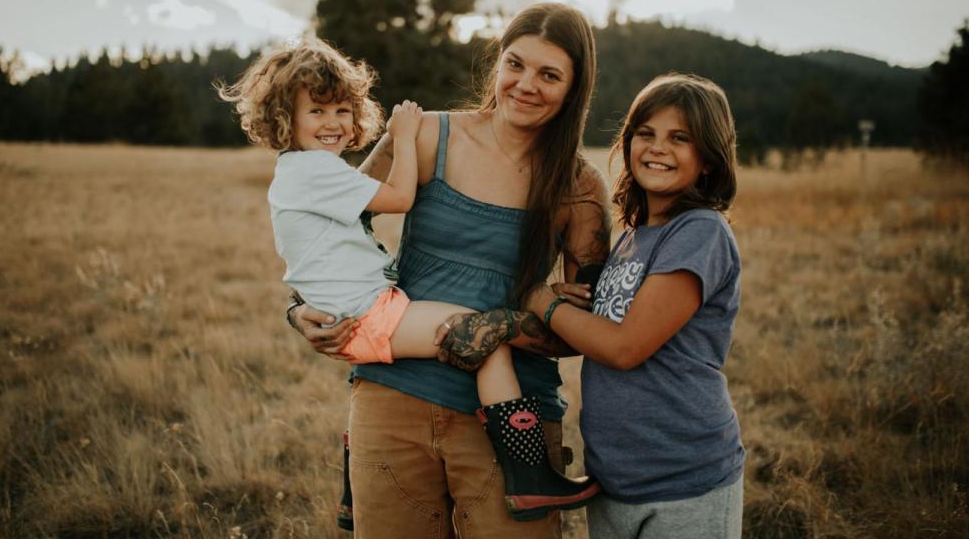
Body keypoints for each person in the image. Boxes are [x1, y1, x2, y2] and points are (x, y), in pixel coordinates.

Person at [219, 33, 603, 534]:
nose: (526, 84)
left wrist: (544, 309)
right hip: (391, 399)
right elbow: (332, 229)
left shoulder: (579, 186)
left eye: (549, 75)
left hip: (510, 419)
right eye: (516, 64)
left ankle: (530, 472)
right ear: (497, 64)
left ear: (575, 88)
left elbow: (594, 333)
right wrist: (299, 310)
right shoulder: (426, 135)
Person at [443, 73, 745, 538]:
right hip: (615, 477)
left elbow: (625, 347)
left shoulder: (700, 231)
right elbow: (598, 330)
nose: (657, 148)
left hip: (683, 476)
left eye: (679, 138)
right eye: (646, 133)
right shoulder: (634, 239)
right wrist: (567, 306)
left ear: (708, 159)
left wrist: (542, 300)